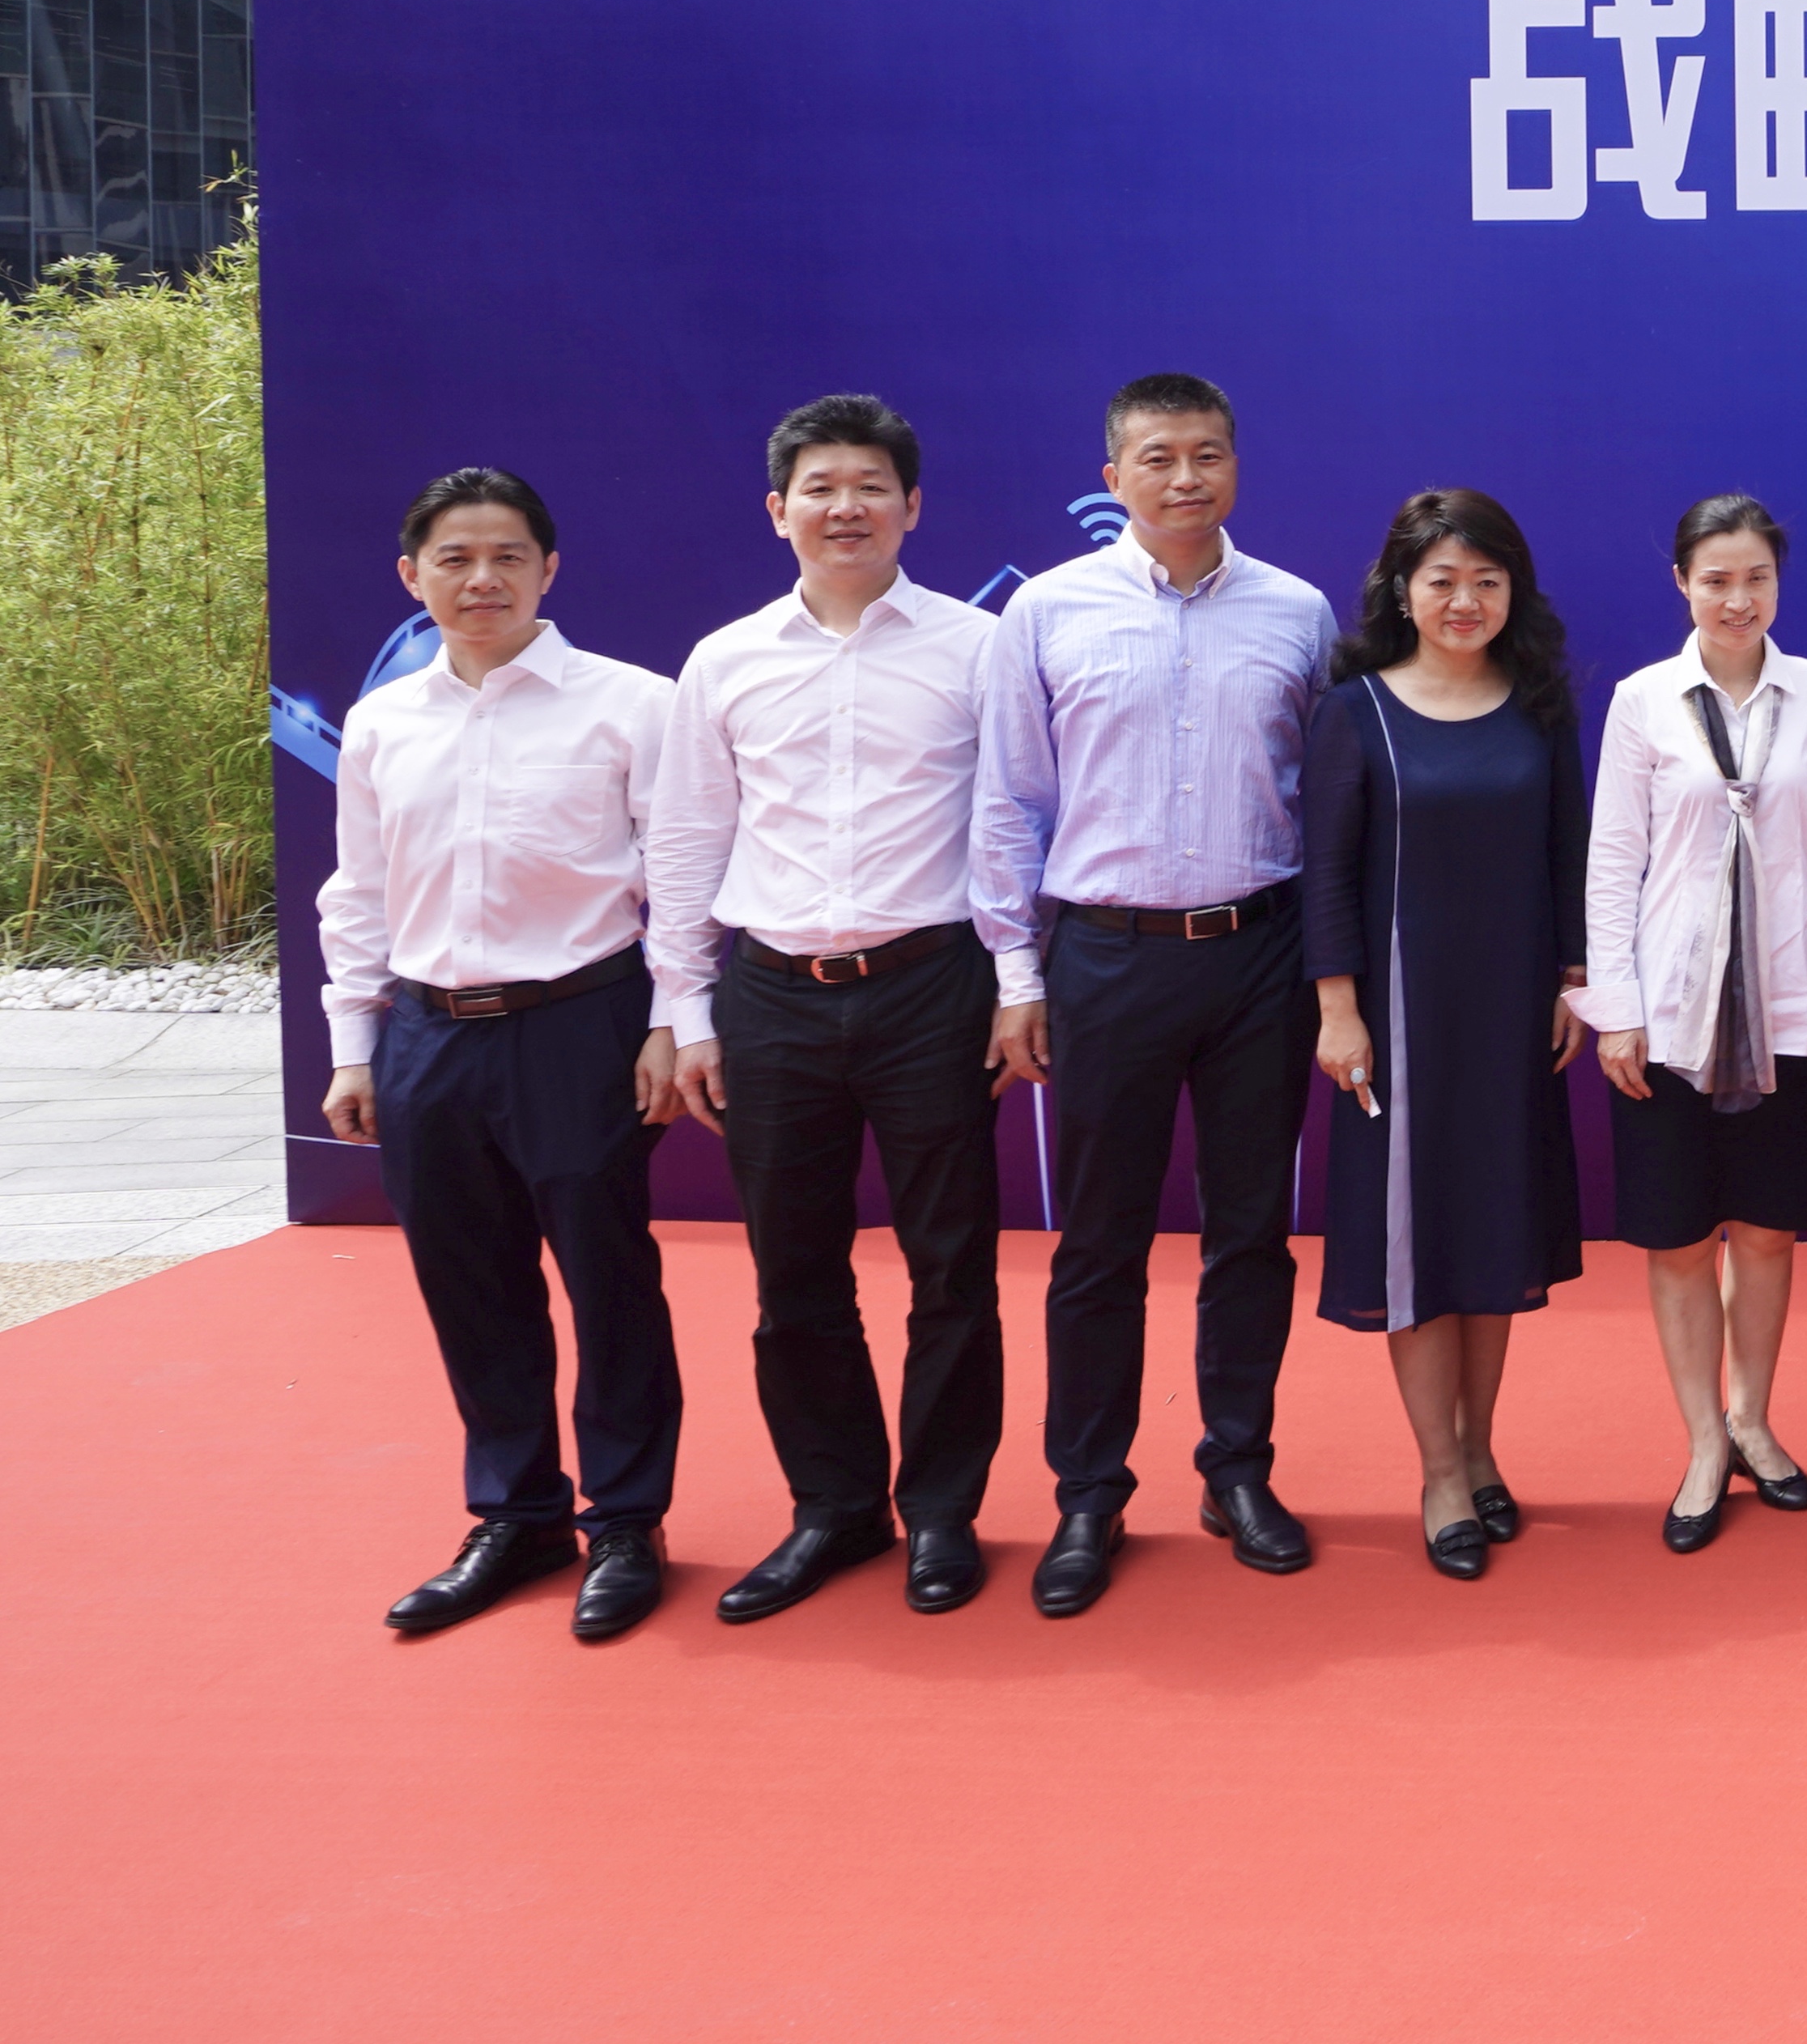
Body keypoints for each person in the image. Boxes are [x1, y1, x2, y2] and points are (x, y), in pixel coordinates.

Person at [649, 394, 1025, 1625]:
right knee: (793, 1269)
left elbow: (1013, 826)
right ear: (779, 511)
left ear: (913, 506)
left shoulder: (980, 649)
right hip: (772, 996)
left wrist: (1019, 983)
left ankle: (944, 1511)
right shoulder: (725, 660)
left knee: (951, 1264)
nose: (845, 507)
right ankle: (834, 1505)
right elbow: (689, 839)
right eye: (820, 487)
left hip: (933, 986)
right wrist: (686, 1010)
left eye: (871, 486)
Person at [972, 372, 1339, 1619]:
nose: (1187, 478)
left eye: (1208, 455)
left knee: (1252, 1232)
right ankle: (1088, 1494)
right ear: (1113, 475)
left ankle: (1238, 1470)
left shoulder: (1297, 612)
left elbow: (1324, 801)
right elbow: (1009, 803)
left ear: (1237, 465)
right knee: (1099, 1241)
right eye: (1160, 457)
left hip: (1259, 954)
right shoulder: (1047, 612)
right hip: (1105, 955)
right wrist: (1017, 974)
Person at [318, 468, 686, 1643]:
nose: (483, 579)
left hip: (582, 1022)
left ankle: (625, 1519)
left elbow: (679, 877)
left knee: (608, 1280)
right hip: (427, 1035)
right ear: (411, 576)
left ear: (549, 569)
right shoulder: (383, 721)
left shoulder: (631, 704)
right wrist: (355, 1044)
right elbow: (360, 890)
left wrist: (675, 1020)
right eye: (456, 559)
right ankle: (517, 1515)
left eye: (508, 556)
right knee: (469, 1285)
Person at [1299, 489, 1590, 1580]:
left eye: (1487, 581)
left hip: (1512, 1009)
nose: (1465, 601)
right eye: (1443, 581)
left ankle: (1479, 1448)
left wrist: (1573, 979)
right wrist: (1337, 1008)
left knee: (1493, 1228)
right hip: (1400, 1021)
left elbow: (1569, 852)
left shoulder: (1540, 706)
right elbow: (1325, 873)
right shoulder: (1357, 712)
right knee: (1414, 1239)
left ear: (1514, 592)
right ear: (1402, 591)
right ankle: (1438, 1474)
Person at [1587, 495, 1807, 1552]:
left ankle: (1753, 1417)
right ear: (1682, 584)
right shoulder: (1644, 701)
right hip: (1671, 1016)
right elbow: (1614, 862)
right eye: (1717, 580)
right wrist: (1616, 1010)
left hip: (1791, 1005)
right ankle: (1704, 1439)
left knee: (1767, 1228)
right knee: (1677, 1238)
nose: (1738, 599)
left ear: (1778, 582)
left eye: (1756, 578)